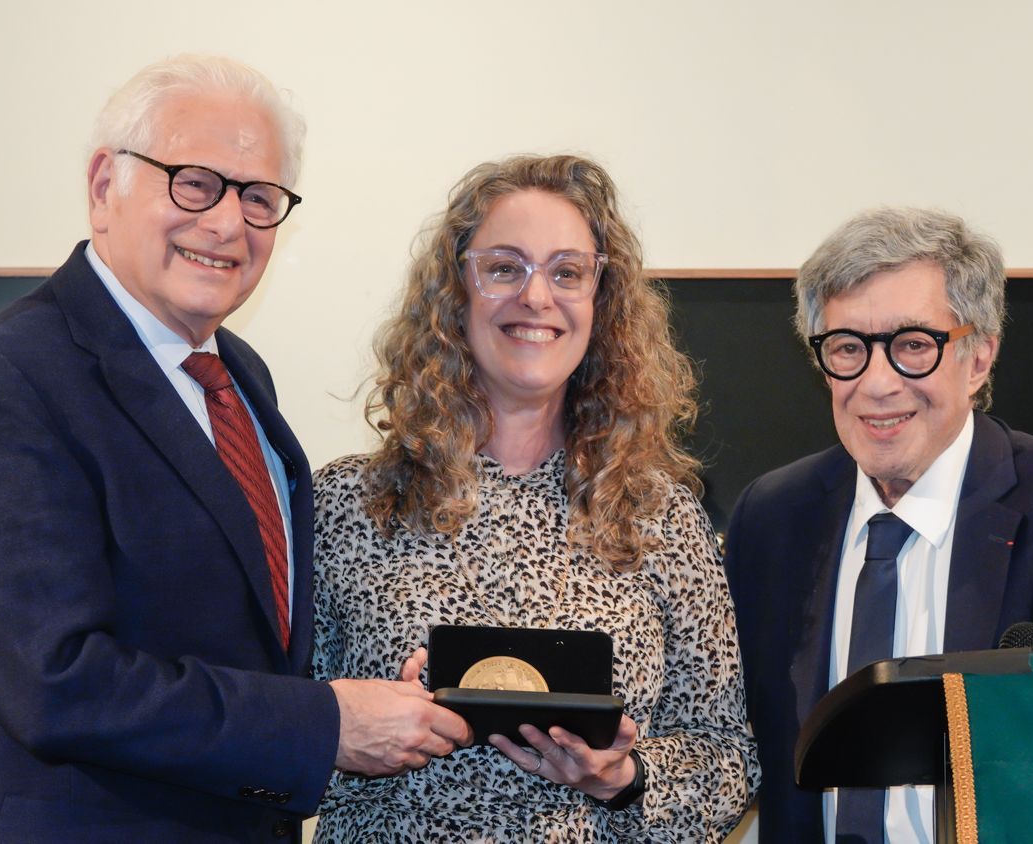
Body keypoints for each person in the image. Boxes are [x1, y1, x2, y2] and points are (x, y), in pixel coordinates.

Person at [0, 54, 468, 842]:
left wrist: (377, 694)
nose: (228, 223)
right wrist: (324, 723)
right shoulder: (11, 380)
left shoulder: (239, 376)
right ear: (105, 187)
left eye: (260, 198)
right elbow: (55, 683)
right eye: (195, 182)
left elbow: (234, 639)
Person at [310, 154, 760, 841]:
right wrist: (355, 725)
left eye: (567, 272)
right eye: (504, 268)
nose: (537, 298)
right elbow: (271, 736)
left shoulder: (659, 514)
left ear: (600, 301)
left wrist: (622, 777)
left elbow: (726, 756)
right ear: (454, 292)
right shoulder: (347, 502)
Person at [723, 207, 1033, 843]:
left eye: (913, 346)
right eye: (847, 349)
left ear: (978, 359)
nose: (877, 383)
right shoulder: (772, 520)